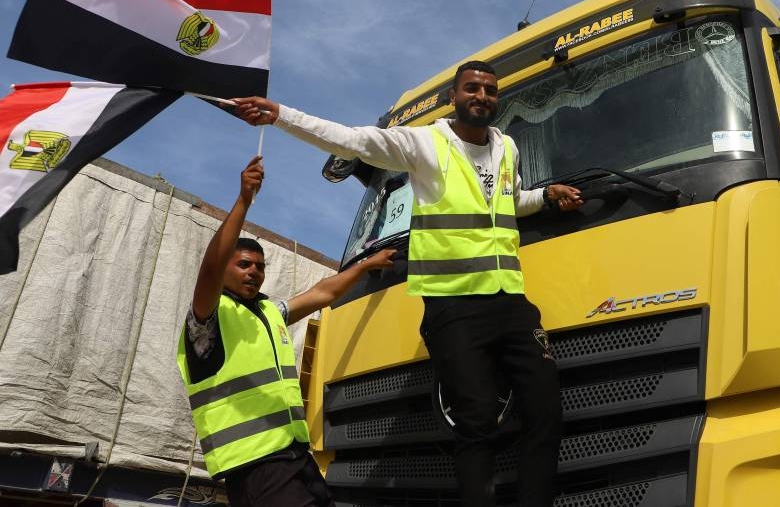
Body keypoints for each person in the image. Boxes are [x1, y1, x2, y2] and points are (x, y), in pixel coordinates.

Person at [233, 60, 584, 507]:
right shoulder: (425, 145)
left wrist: (547, 195)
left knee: (545, 411)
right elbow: (353, 141)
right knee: (476, 423)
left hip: (509, 300)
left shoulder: (507, 148)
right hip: (453, 307)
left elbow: (510, 202)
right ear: (454, 97)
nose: (481, 96)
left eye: (490, 90)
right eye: (472, 88)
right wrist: (281, 114)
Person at [177, 156, 395, 507]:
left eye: (260, 267)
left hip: (294, 457)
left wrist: (367, 263)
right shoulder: (207, 318)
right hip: (255, 467)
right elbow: (211, 266)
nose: (253, 272)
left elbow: (324, 292)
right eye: (244, 264)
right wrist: (244, 201)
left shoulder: (269, 312)